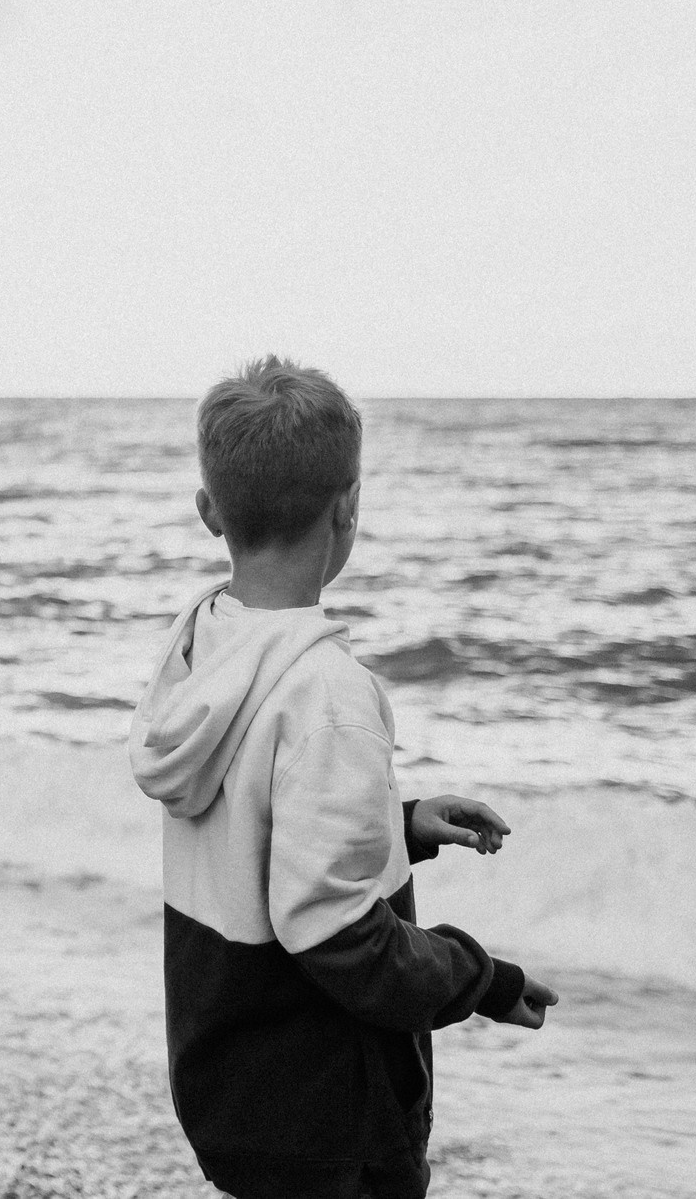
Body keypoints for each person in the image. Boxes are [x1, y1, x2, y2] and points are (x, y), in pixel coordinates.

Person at [128, 357, 558, 1199]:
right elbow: (339, 938)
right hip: (328, 1114)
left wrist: (397, 825)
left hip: (234, 1089)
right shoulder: (328, 694)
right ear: (348, 506)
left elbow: (261, 840)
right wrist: (484, 980)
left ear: (210, 510)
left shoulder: (202, 647)